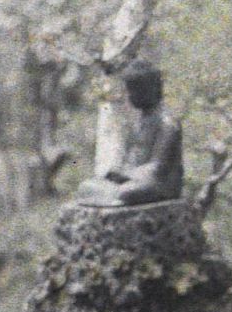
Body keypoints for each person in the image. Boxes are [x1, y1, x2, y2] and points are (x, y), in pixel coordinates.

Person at [74, 60, 184, 207]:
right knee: (86, 186)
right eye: (129, 90)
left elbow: (158, 168)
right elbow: (133, 158)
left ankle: (114, 197)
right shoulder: (140, 120)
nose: (131, 95)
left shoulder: (168, 123)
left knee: (126, 192)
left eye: (136, 90)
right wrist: (118, 173)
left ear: (154, 88)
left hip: (160, 184)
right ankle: (112, 197)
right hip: (134, 180)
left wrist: (126, 174)